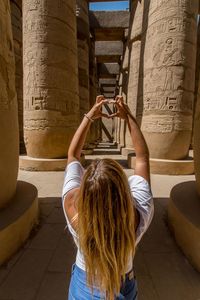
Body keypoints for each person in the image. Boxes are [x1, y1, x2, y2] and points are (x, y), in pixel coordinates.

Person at [62, 95, 154, 300]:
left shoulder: (73, 209)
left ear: (85, 194)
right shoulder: (139, 215)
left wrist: (89, 116)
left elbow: (72, 156)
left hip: (84, 286)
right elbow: (142, 158)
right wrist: (128, 116)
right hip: (125, 283)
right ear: (123, 189)